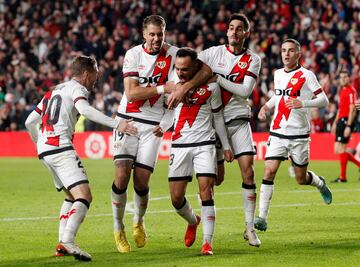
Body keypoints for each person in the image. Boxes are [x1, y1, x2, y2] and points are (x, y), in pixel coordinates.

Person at [111, 15, 212, 253]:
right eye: (152, 34)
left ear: (165, 33)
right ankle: (118, 228)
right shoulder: (133, 55)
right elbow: (132, 93)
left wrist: (168, 119)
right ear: (144, 34)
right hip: (127, 120)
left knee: (141, 181)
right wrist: (162, 87)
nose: (157, 39)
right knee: (122, 176)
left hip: (153, 126)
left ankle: (138, 222)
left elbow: (197, 76)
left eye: (160, 34)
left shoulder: (175, 55)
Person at [24, 55, 138, 261]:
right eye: (95, 73)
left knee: (70, 196)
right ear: (86, 73)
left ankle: (61, 243)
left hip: (45, 149)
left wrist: (39, 144)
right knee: (84, 196)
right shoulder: (78, 89)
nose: (97, 78)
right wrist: (117, 124)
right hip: (60, 147)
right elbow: (84, 110)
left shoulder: (54, 90)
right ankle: (68, 241)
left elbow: (29, 122)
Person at [154, 47, 233, 255]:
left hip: (204, 144)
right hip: (179, 144)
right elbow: (171, 112)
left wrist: (225, 146)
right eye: (178, 68)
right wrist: (162, 127)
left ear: (196, 66)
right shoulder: (173, 82)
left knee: (206, 191)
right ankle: (193, 220)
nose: (180, 72)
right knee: (176, 199)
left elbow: (217, 118)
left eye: (185, 69)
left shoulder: (213, 85)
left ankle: (207, 243)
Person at [255, 39, 332, 233]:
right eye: (283, 51)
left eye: (290, 51)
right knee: (269, 171)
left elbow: (324, 100)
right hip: (278, 131)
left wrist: (303, 103)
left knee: (300, 178)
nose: (286, 54)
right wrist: (266, 106)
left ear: (298, 54)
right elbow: (278, 96)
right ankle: (262, 217)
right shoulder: (278, 73)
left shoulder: (307, 75)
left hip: (299, 135)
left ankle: (319, 183)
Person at [197, 13, 262, 247]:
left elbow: (244, 92)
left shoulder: (253, 59)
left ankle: (250, 228)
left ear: (246, 33)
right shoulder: (211, 54)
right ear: (227, 32)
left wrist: (215, 78)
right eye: (231, 28)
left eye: (239, 28)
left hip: (238, 120)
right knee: (217, 179)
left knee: (249, 171)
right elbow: (185, 65)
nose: (234, 32)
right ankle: (201, 216)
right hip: (212, 122)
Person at [331, 70, 359, 183]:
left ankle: (343, 177)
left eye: (345, 77)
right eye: (341, 77)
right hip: (340, 121)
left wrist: (349, 126)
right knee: (338, 150)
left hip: (346, 121)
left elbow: (353, 109)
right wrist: (335, 122)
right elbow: (340, 108)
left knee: (341, 149)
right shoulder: (341, 91)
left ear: (349, 78)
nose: (343, 79)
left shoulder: (351, 90)